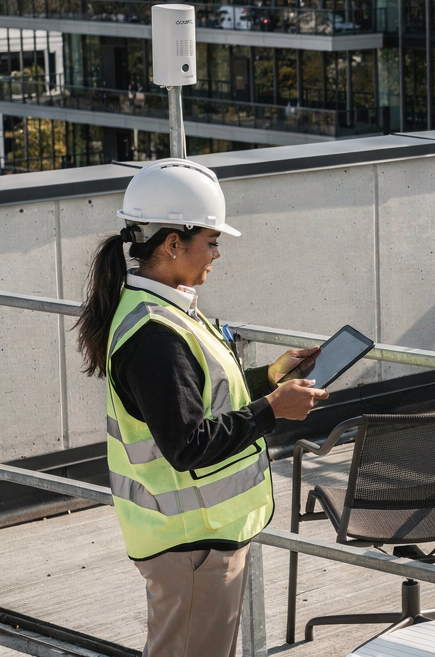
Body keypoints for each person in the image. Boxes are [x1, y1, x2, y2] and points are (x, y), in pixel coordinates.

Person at [75, 157, 329, 657]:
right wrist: (273, 410)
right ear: (173, 243)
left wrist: (271, 377)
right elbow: (188, 444)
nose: (217, 253)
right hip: (191, 545)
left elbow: (202, 396)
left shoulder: (162, 309)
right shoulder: (155, 334)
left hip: (197, 538)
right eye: (211, 241)